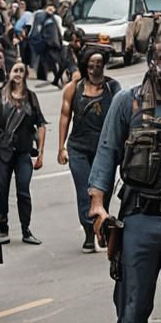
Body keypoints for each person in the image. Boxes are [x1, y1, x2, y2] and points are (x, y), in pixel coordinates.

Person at [88, 22, 161, 323]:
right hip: (139, 220)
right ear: (152, 60)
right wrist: (98, 206)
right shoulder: (128, 103)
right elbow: (106, 154)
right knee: (132, 308)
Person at [58, 46, 119, 252]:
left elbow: (122, 116)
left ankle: (101, 226)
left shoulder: (113, 88)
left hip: (105, 149)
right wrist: (61, 147)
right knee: (85, 191)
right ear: (85, 66)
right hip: (78, 148)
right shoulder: (73, 89)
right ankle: (88, 233)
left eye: (99, 65)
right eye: (91, 65)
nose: (95, 69)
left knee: (103, 190)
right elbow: (65, 116)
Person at [0, 62, 47, 244]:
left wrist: (41, 153)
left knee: (23, 190)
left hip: (23, 152)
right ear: (10, 73)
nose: (18, 73)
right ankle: (3, 228)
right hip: (2, 152)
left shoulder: (31, 98)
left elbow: (41, 124)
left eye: (22, 70)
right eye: (15, 70)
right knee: (2, 190)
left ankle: (26, 230)